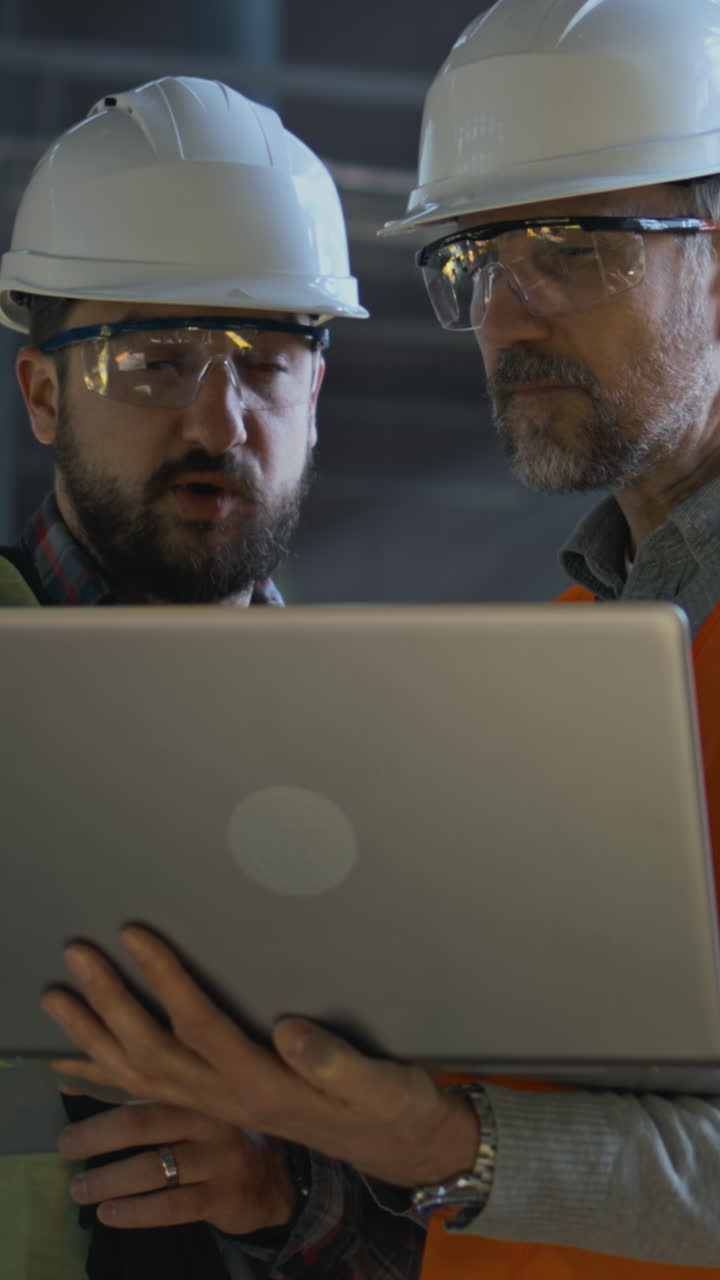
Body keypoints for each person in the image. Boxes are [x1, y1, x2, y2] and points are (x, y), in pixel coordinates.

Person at [37, 1, 720, 1277]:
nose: (510, 316)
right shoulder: (566, 665)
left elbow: (463, 1136)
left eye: (570, 247)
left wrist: (439, 1138)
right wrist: (331, 1169)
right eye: (479, 259)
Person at [0, 74, 373, 1280]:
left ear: (315, 390)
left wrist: (286, 1196)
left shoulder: (392, 741)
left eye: (267, 359)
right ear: (43, 391)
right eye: (153, 361)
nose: (219, 420)